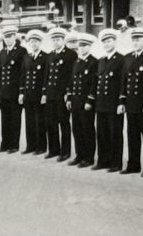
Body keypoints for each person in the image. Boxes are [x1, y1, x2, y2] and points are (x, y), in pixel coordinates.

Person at [120, 28, 143, 177]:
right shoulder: (128, 57)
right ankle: (133, 164)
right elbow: (124, 80)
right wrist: (122, 100)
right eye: (134, 40)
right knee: (132, 136)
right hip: (131, 104)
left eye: (139, 39)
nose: (136, 42)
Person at [93, 29, 125, 172]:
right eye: (104, 42)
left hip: (113, 104)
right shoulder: (101, 60)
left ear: (115, 42)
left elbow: (122, 83)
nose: (106, 44)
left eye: (109, 41)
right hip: (101, 103)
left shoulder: (121, 60)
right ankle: (102, 160)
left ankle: (115, 162)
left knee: (115, 134)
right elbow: (98, 82)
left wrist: (121, 102)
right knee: (101, 133)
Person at [66, 33, 97, 167]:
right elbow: (72, 81)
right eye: (80, 46)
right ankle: (79, 155)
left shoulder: (94, 62)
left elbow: (94, 84)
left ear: (90, 47)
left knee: (87, 129)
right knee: (77, 129)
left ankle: (89, 157)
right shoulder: (77, 62)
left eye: (84, 46)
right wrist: (69, 97)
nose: (82, 49)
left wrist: (90, 100)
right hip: (76, 101)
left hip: (86, 103)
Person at [43, 27, 74, 162]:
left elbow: (72, 76)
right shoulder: (50, 55)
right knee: (51, 123)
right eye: (54, 40)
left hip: (62, 95)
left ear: (63, 40)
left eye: (58, 40)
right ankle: (53, 149)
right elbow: (46, 75)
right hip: (51, 94)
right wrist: (44, 93)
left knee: (64, 123)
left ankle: (65, 151)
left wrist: (68, 92)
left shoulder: (70, 55)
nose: (56, 42)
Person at [0, 26, 25, 153]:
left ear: (14, 37)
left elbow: (23, 73)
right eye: (5, 37)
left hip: (14, 91)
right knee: (5, 119)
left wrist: (21, 91)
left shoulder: (21, 51)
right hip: (4, 91)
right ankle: (5, 144)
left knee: (15, 119)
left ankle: (14, 145)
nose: (7, 39)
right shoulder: (2, 52)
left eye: (10, 37)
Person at [19, 29, 48, 155]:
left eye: (36, 41)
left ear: (40, 42)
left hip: (38, 94)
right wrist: (21, 92)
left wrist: (44, 94)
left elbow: (46, 77)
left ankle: (40, 146)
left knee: (39, 121)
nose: (33, 44)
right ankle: (30, 145)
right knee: (29, 121)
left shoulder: (45, 57)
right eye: (31, 42)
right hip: (28, 93)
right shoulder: (27, 57)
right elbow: (23, 76)